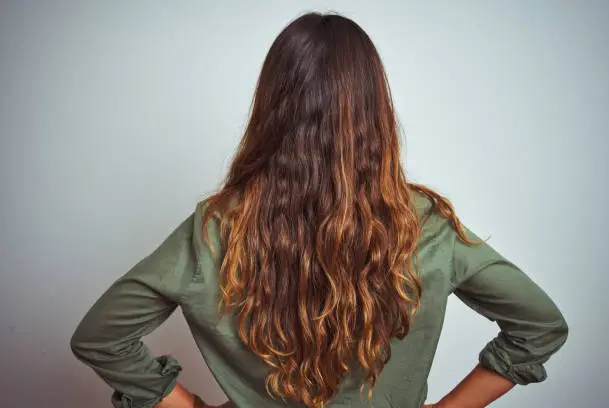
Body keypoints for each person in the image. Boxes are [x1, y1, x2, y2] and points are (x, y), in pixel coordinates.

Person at [70, 12, 569, 408]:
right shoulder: (427, 226)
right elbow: (540, 326)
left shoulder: (217, 228)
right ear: (375, 108)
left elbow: (100, 337)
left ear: (271, 105)